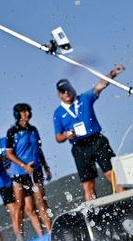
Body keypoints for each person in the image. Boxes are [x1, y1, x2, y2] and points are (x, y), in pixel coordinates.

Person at [53, 66, 126, 201]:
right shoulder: (58, 113)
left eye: (68, 89)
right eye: (63, 91)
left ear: (72, 88)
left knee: (111, 174)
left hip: (97, 141)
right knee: (88, 184)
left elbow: (100, 86)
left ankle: (126, 199)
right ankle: (92, 215)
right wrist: (66, 135)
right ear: (59, 94)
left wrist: (112, 74)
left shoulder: (84, 98)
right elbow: (58, 137)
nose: (66, 93)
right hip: (80, 147)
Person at [0, 124, 42, 241]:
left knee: (30, 208)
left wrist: (7, 157)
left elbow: (17, 153)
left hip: (19, 178)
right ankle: (20, 240)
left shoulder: (4, 141)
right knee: (16, 211)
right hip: (4, 184)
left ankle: (42, 236)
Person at [5, 103, 53, 234]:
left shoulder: (33, 130)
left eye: (27, 111)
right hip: (20, 173)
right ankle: (19, 238)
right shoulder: (12, 132)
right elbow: (9, 153)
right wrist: (24, 166)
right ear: (17, 114)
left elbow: (39, 149)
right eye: (23, 111)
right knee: (21, 206)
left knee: (41, 201)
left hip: (36, 170)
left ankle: (50, 231)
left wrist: (46, 167)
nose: (26, 113)